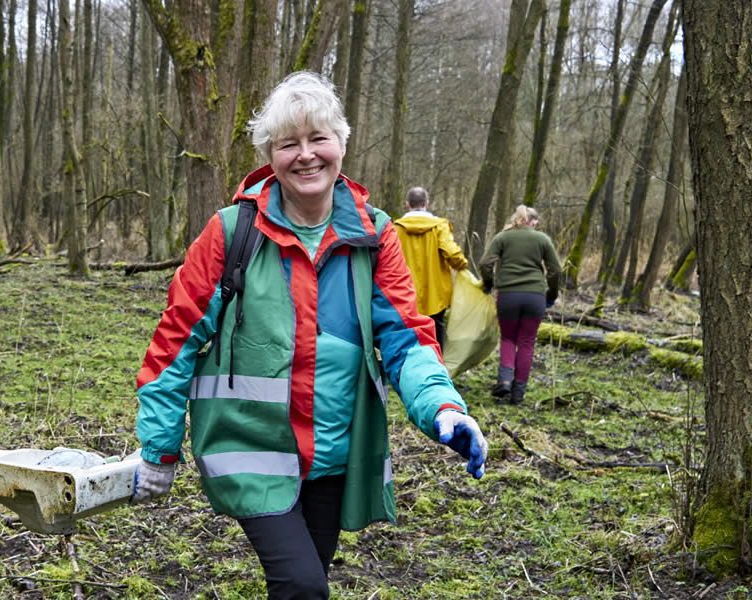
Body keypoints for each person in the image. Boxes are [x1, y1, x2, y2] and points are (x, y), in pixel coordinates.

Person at [130, 71, 488, 600]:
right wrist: (158, 449)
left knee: (306, 583)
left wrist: (444, 408)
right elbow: (174, 342)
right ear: (269, 155)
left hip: (334, 455)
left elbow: (407, 339)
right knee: (302, 586)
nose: (306, 155)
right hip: (250, 449)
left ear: (341, 143)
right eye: (287, 143)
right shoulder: (231, 232)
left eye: (318, 138)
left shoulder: (375, 235)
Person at [479, 204, 562, 405]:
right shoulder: (542, 239)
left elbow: (485, 263)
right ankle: (518, 394)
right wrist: (551, 294)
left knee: (508, 339)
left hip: (508, 295)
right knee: (526, 342)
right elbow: (556, 270)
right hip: (535, 297)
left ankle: (504, 380)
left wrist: (489, 284)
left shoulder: (503, 237)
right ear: (532, 222)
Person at [394, 187, 469, 347]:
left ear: (407, 204)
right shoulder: (439, 226)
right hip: (436, 294)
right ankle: (436, 367)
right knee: (436, 331)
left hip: (404, 293)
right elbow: (452, 253)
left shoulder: (395, 228)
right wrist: (463, 265)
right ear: (427, 204)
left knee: (408, 332)